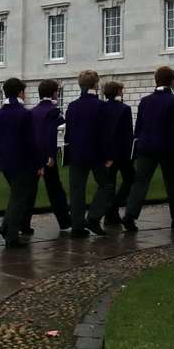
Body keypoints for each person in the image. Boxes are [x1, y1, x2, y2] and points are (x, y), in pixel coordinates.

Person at [127, 65, 174, 231]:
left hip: (145, 147)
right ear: (171, 81)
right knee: (172, 183)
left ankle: (129, 216)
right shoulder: (173, 100)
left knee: (140, 183)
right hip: (166, 148)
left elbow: (139, 127)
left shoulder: (145, 101)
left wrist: (136, 146)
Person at [63, 69, 113, 235]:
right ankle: (93, 217)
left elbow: (68, 133)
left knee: (77, 190)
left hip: (76, 152)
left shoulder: (72, 106)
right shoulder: (101, 106)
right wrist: (108, 155)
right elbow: (105, 134)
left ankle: (77, 226)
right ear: (96, 84)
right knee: (106, 186)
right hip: (96, 153)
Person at [0, 77, 36, 249]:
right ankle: (11, 236)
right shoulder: (25, 114)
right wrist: (38, 164)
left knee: (16, 195)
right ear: (20, 92)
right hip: (23, 161)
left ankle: (6, 227)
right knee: (20, 198)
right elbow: (31, 142)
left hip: (4, 161)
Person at [30, 79, 69, 233]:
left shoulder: (32, 111)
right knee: (55, 191)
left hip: (33, 155)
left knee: (29, 192)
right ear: (54, 93)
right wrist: (51, 155)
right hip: (46, 156)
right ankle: (65, 222)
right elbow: (51, 134)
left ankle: (23, 224)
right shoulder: (53, 110)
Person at [103, 79, 137, 230]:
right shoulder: (124, 109)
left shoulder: (101, 108)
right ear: (117, 91)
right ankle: (113, 207)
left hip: (106, 153)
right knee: (131, 180)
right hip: (122, 153)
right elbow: (127, 134)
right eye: (121, 90)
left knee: (110, 184)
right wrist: (131, 154)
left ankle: (110, 215)